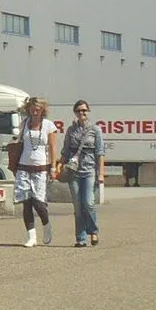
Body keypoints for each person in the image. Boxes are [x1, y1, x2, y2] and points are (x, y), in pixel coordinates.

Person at [58, 99, 105, 247]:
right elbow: (65, 151)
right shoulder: (71, 130)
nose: (81, 113)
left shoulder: (95, 130)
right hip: (74, 171)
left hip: (89, 170)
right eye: (79, 110)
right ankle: (81, 238)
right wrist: (59, 165)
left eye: (84, 110)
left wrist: (101, 173)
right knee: (78, 206)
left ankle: (94, 231)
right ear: (75, 113)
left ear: (88, 111)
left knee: (88, 202)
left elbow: (100, 153)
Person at [13, 96, 57, 248]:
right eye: (32, 108)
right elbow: (19, 143)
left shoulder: (49, 126)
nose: (35, 111)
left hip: (41, 168)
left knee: (38, 202)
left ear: (42, 110)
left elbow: (52, 148)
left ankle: (46, 225)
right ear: (29, 109)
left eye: (38, 108)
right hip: (24, 167)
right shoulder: (24, 124)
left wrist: (53, 167)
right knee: (26, 202)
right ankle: (31, 236)